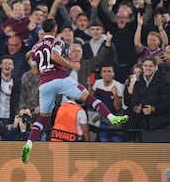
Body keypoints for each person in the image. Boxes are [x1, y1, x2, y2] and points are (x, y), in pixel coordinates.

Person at [22, 19, 128, 164]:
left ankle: (29, 143)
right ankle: (111, 117)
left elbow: (34, 71)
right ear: (55, 28)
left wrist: (46, 70)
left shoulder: (34, 48)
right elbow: (54, 55)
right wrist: (70, 64)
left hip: (45, 83)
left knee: (44, 117)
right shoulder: (57, 41)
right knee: (89, 98)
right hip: (60, 79)